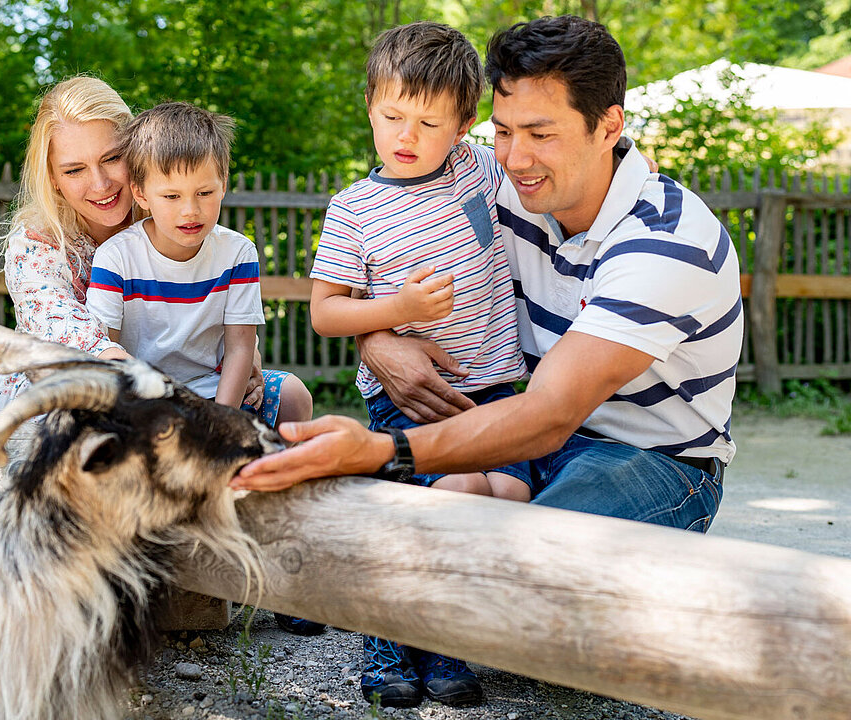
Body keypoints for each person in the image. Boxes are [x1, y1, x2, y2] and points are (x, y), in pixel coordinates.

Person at [236, 7, 741, 680]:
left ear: (609, 125)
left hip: (645, 459)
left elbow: (548, 415)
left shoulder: (667, 242)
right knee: (469, 534)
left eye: (540, 133)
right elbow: (387, 246)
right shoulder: (493, 182)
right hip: (522, 430)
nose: (515, 156)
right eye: (503, 132)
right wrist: (381, 339)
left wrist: (384, 452)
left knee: (513, 570)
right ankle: (419, 641)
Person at [307, 22, 527, 709]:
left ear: (464, 126)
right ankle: (387, 650)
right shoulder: (354, 210)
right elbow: (326, 311)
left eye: (428, 122)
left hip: (492, 390)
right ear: (370, 104)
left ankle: (442, 638)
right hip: (406, 400)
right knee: (424, 503)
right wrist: (394, 309)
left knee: (499, 500)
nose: (405, 135)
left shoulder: (478, 171)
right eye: (391, 115)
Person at [83, 102, 317, 634]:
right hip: (149, 401)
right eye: (171, 196)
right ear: (141, 195)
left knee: (297, 396)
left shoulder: (236, 252)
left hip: (216, 392)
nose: (191, 210)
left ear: (223, 184)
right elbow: (107, 349)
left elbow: (240, 347)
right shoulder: (119, 258)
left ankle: (292, 576)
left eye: (205, 193)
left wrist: (221, 421)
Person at [0, 77, 265, 418]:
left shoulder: (170, 215)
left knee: (285, 396)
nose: (100, 183)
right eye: (74, 170)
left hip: (173, 379)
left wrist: (245, 355)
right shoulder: (36, 241)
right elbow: (69, 335)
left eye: (111, 158)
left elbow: (211, 309)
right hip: (66, 384)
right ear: (52, 176)